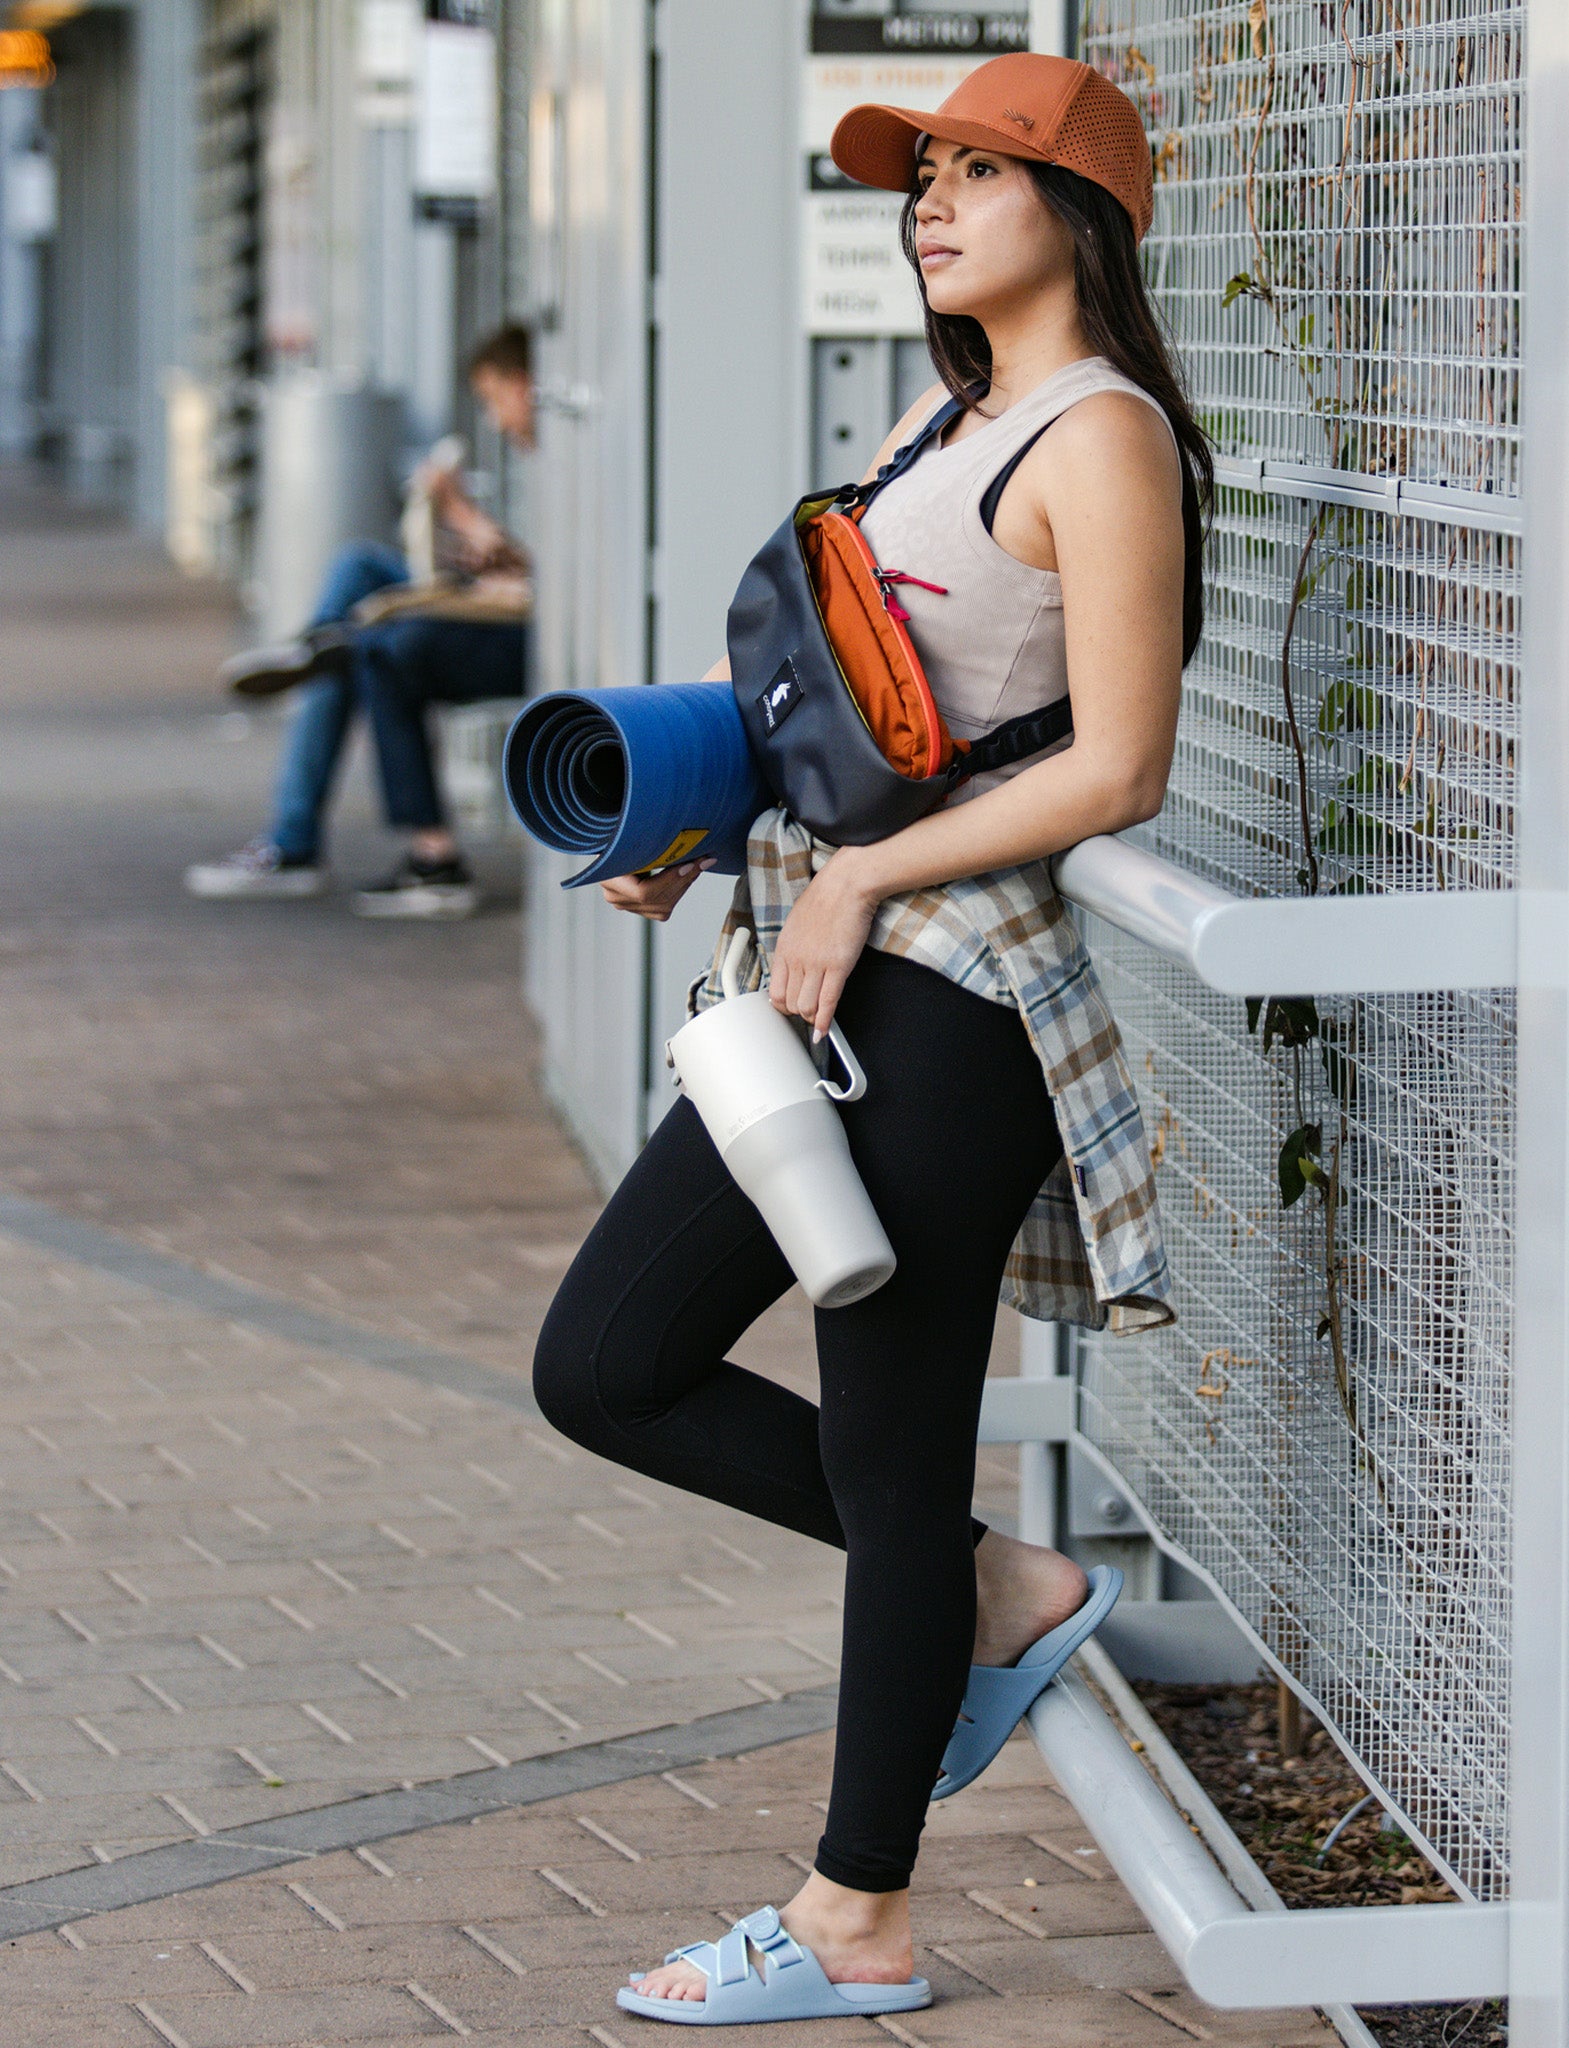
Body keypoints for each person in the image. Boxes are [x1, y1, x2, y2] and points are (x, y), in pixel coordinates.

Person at [531, 53, 1215, 2027]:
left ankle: (858, 1916)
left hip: (955, 1001)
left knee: (894, 1461)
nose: (929, 202)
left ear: (1071, 209)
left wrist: (852, 882)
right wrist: (711, 823)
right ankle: (1002, 1591)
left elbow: (1119, 756)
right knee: (608, 1362)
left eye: (973, 172)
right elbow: (866, 697)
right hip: (834, 974)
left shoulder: (1098, 437)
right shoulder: (949, 410)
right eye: (915, 174)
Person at [184, 323, 536, 919]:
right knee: (360, 566)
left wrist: (467, 521)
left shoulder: (578, 448)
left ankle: (432, 859)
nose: (497, 420)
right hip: (506, 607)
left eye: (495, 398)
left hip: (530, 635)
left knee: (382, 649)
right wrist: (483, 553)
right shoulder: (551, 451)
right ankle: (315, 648)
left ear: (524, 384)